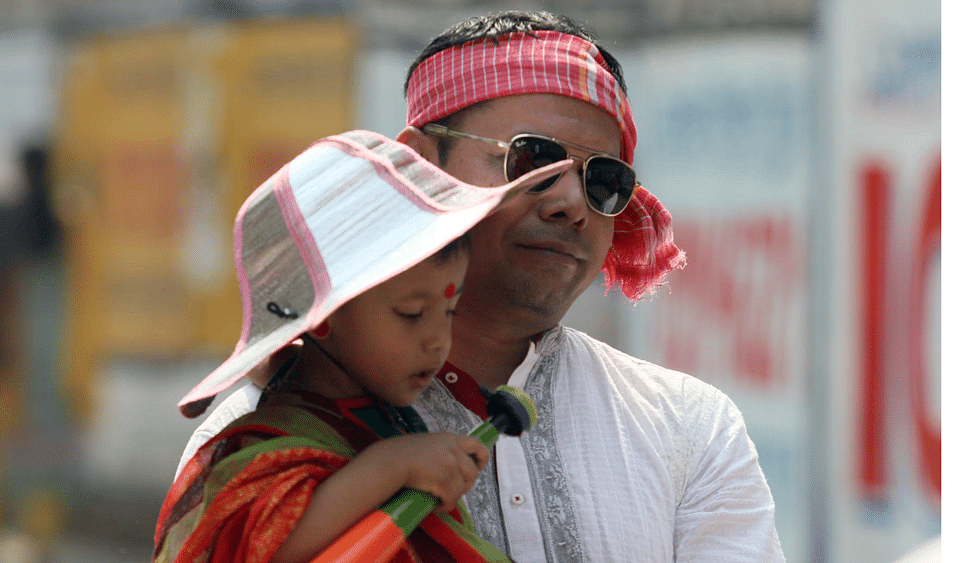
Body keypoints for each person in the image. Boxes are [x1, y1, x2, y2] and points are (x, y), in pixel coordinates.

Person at [173, 11, 786, 562]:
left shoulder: (690, 430)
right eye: (533, 160)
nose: (571, 203)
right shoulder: (259, 443)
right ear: (420, 166)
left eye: (602, 181)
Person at [153, 129, 572, 563]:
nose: (436, 341)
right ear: (323, 317)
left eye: (449, 311)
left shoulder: (381, 416)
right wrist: (394, 466)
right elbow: (270, 546)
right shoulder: (270, 441)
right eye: (411, 313)